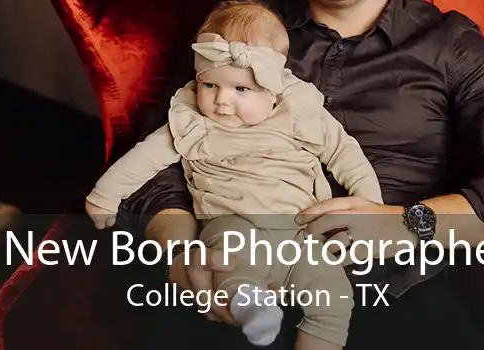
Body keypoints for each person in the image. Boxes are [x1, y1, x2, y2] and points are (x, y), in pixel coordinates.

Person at [111, 0, 484, 349]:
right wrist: (177, 251)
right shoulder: (242, 28)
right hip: (233, 270)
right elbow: (162, 152)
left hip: (389, 293)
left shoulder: (449, 45)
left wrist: (410, 222)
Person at [86, 2, 383, 349]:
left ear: (273, 90)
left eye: (240, 90)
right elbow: (144, 158)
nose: (222, 102)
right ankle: (253, 307)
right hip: (233, 223)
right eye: (210, 85)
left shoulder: (299, 111)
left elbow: (346, 155)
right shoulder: (194, 121)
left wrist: (370, 206)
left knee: (334, 294)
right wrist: (104, 195)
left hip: (302, 232)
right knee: (230, 266)